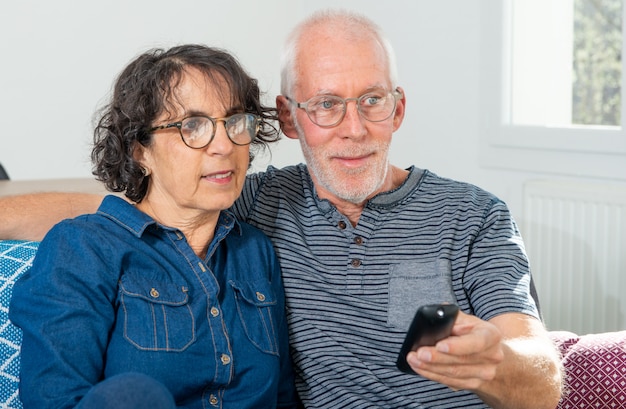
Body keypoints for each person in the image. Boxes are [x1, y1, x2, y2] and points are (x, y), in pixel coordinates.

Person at [0, 10, 562, 409]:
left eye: (372, 100)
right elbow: (127, 212)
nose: (354, 128)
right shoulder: (254, 203)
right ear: (290, 118)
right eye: (326, 106)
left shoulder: (473, 215)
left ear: (399, 108)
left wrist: (501, 362)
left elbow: (542, 379)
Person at [8, 44, 298, 409]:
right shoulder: (83, 247)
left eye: (235, 121)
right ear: (139, 149)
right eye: (193, 126)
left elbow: (283, 399)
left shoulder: (255, 251)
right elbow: (54, 401)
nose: (224, 144)